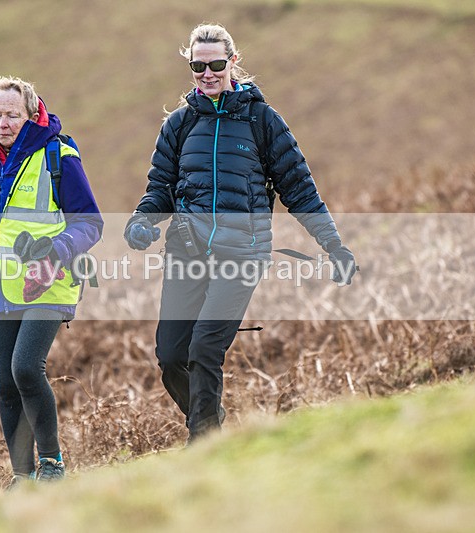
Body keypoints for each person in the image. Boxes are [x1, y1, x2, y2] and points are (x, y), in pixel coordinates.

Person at [124, 23, 356, 441]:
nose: (207, 73)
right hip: (186, 253)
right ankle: (210, 415)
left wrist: (333, 244)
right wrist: (142, 221)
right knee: (172, 356)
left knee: (204, 350)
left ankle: (204, 442)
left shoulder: (263, 121)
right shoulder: (178, 125)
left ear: (232, 62)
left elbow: (299, 187)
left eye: (215, 63)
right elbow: (159, 188)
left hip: (241, 257)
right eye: (198, 65)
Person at [0, 76, 103, 484]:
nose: (4, 123)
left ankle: (52, 464)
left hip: (48, 279)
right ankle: (22, 477)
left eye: (12, 115)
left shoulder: (57, 155)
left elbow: (90, 223)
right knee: (6, 383)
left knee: (26, 367)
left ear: (30, 116)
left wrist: (58, 251)